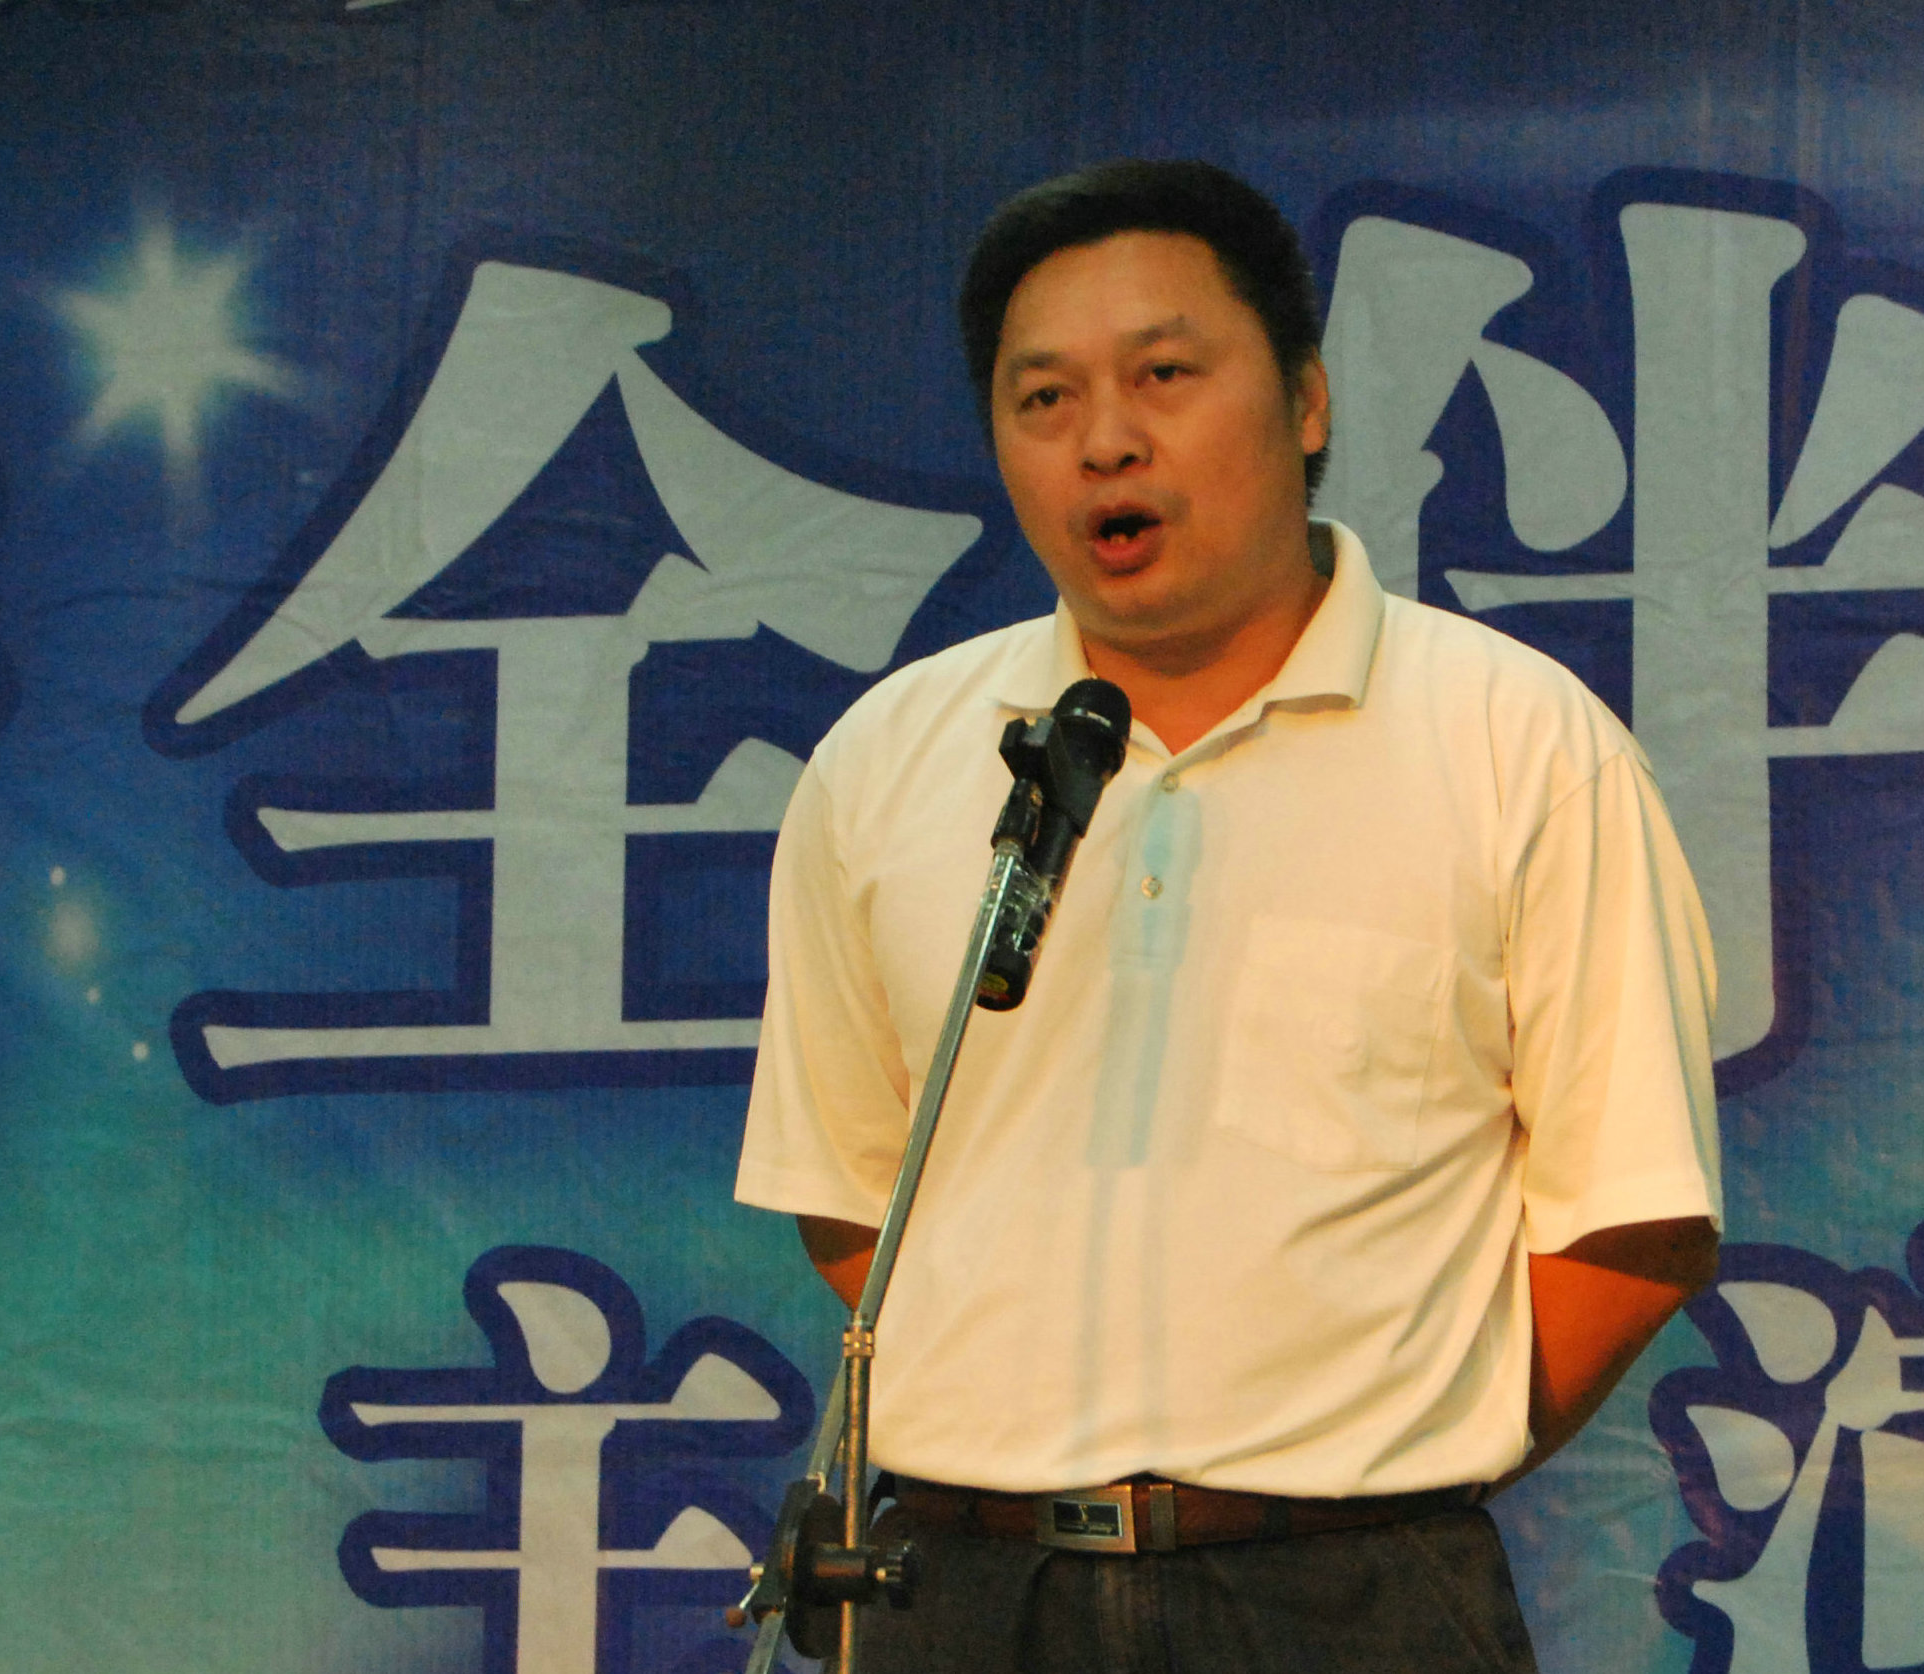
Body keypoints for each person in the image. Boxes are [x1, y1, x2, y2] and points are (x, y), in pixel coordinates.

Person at [734, 159, 1721, 1673]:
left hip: (1353, 1597)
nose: (1105, 441)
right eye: (1044, 399)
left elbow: (1630, 1221)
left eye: (1165, 375)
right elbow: (855, 1193)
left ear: (1307, 401)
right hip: (966, 1590)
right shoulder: (889, 763)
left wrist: (1367, 1455)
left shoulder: (1518, 743)